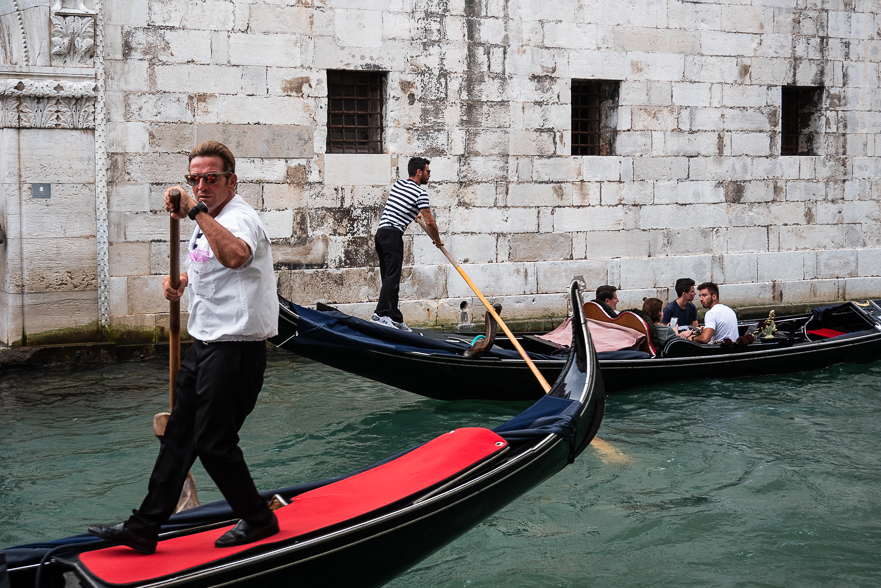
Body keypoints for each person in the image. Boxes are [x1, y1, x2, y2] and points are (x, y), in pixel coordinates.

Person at [88, 141, 280, 554]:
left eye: (211, 178)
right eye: (195, 179)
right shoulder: (208, 219)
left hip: (237, 350)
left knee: (213, 442)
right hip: (206, 345)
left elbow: (235, 257)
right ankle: (144, 527)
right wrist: (181, 284)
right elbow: (208, 264)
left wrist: (194, 209)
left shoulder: (241, 217)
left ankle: (259, 519)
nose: (202, 185)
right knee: (178, 436)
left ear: (232, 180)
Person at [373, 157, 443, 332]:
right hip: (393, 235)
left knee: (389, 277)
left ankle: (394, 316)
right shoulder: (420, 193)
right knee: (392, 278)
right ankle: (380, 315)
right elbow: (431, 222)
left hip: (381, 234)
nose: (429, 174)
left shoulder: (399, 185)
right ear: (419, 172)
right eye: (428, 171)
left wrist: (414, 214)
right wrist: (437, 239)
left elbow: (401, 207)